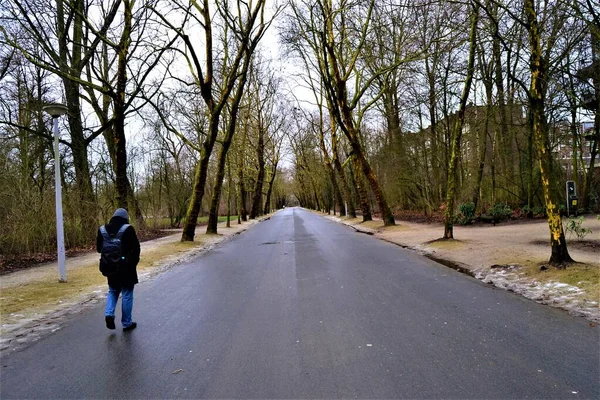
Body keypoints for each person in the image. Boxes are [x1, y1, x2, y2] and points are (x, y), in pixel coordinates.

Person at [96, 208, 140, 331]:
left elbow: (99, 249)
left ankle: (109, 314)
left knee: (113, 291)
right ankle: (126, 323)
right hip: (126, 268)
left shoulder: (102, 229)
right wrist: (132, 263)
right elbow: (136, 249)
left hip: (110, 267)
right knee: (127, 294)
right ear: (125, 218)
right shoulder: (128, 229)